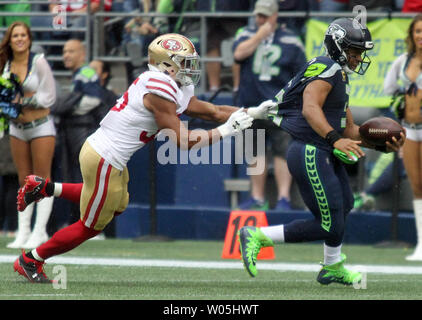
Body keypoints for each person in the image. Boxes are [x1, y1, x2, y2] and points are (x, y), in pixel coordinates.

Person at [11, 33, 273, 283]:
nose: (190, 69)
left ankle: (44, 188)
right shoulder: (159, 90)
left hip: (106, 155)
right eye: (184, 63)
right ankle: (31, 259)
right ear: (166, 64)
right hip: (104, 158)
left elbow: (213, 111)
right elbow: (183, 141)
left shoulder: (169, 83)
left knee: (117, 203)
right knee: (90, 227)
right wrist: (229, 130)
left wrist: (253, 112)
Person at [238, 18, 405, 285]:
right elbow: (310, 109)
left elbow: (349, 129)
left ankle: (332, 266)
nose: (359, 58)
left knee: (344, 207)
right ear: (338, 47)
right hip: (310, 151)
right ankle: (259, 235)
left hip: (321, 151)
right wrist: (333, 139)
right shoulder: (326, 67)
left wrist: (382, 145)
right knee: (329, 223)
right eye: (355, 51)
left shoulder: (338, 75)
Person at [233, 0, 307, 211]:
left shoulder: (291, 39)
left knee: (283, 151)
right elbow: (238, 55)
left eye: (265, 16)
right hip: (251, 104)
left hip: (280, 106)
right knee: (256, 151)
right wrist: (259, 36)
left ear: (275, 16)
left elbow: (301, 74)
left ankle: (283, 198)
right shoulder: (245, 34)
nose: (260, 20)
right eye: (258, 15)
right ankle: (257, 197)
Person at [0, 22, 56, 249]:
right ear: (10, 39)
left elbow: (49, 97)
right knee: (24, 179)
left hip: (40, 125)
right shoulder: (4, 62)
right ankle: (23, 232)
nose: (20, 39)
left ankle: (39, 231)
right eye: (16, 36)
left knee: (41, 179)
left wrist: (23, 100)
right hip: (16, 127)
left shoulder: (38, 62)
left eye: (24, 35)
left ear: (30, 38)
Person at [52, 39, 103, 225]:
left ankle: (89, 222)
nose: (66, 55)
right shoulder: (77, 75)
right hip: (74, 131)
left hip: (82, 130)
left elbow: (93, 99)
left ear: (82, 54)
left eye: (71, 51)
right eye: (65, 51)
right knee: (75, 176)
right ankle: (79, 221)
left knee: (82, 176)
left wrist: (69, 109)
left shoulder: (86, 72)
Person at [384, 14, 422, 260]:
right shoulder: (403, 60)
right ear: (411, 35)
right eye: (418, 31)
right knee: (417, 186)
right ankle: (421, 244)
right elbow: (389, 90)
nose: (421, 36)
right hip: (409, 130)